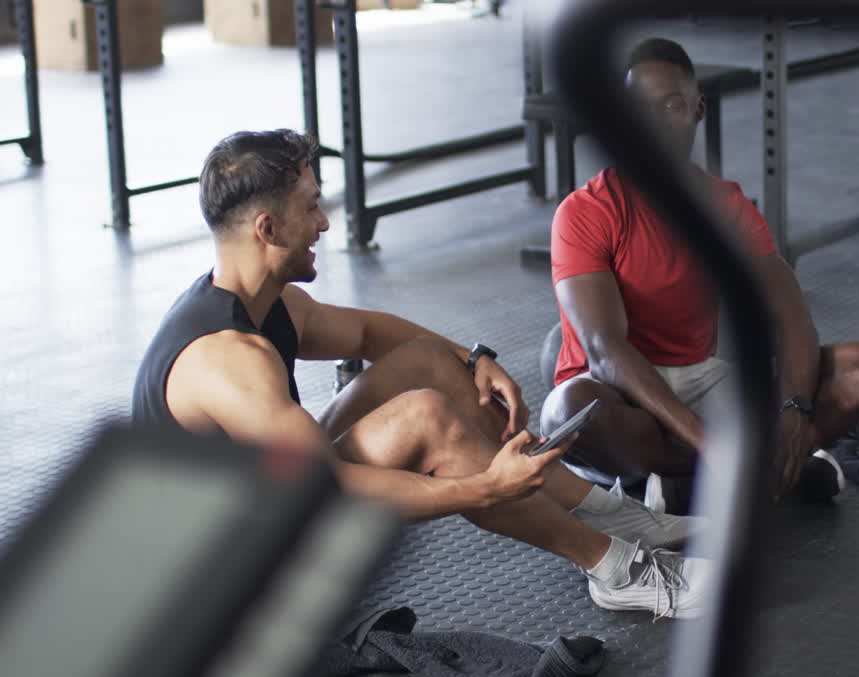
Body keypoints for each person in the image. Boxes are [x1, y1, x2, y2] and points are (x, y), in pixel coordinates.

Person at [131, 129, 708, 619]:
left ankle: (612, 514)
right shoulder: (229, 361)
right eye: (310, 206)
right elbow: (326, 490)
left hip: (259, 502)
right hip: (218, 590)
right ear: (267, 229)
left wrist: (475, 358)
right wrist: (483, 487)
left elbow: (369, 334)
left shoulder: (259, 301)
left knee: (431, 363)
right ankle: (615, 569)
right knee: (425, 417)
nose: (324, 223)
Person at [541, 38, 859, 507]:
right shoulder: (586, 212)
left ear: (697, 109)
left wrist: (794, 412)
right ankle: (752, 472)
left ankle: (691, 483)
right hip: (620, 389)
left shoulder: (728, 206)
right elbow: (605, 351)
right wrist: (710, 442)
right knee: (569, 411)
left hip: (702, 378)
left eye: (671, 106)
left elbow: (791, 316)